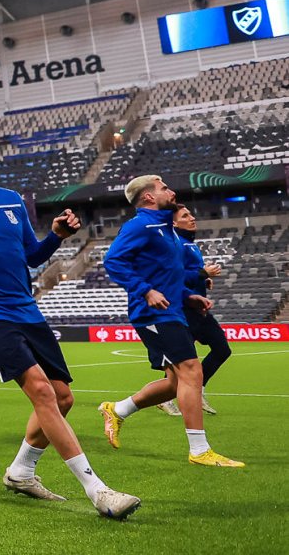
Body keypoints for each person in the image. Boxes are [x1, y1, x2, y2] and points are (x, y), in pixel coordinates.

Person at [0, 132, 140, 519]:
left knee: (63, 397)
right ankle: (98, 491)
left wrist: (55, 237)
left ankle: (20, 471)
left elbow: (31, 256)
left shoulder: (10, 200)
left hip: (27, 310)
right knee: (41, 390)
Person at [96, 177, 243, 467]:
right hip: (152, 313)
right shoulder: (141, 225)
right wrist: (146, 291)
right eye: (164, 188)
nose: (171, 191)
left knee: (176, 382)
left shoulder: (167, 231)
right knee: (192, 371)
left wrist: (189, 296)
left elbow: (168, 274)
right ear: (149, 197)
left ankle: (117, 409)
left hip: (173, 310)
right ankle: (199, 450)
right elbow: (113, 261)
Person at [157, 204, 229, 416]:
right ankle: (167, 397)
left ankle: (196, 390)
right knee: (183, 359)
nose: (192, 217)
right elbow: (174, 277)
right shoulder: (176, 244)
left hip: (198, 308)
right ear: (173, 222)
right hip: (184, 309)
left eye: (191, 213)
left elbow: (189, 275)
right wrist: (201, 273)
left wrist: (202, 280)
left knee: (222, 349)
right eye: (185, 215)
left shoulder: (189, 244)